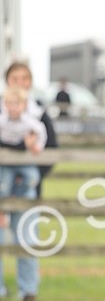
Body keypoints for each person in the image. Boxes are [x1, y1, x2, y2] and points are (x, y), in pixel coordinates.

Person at [0, 86, 46, 301]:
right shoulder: (2, 122)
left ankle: (28, 292)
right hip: (4, 178)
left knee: (27, 240)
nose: (13, 107)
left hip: (24, 186)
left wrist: (35, 146)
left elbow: (43, 136)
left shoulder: (33, 120)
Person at [4, 62, 58, 200]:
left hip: (29, 181)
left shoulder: (39, 112)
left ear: (30, 82)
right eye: (15, 78)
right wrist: (22, 145)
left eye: (24, 78)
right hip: (2, 177)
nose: (20, 83)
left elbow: (51, 146)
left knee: (27, 216)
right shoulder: (2, 113)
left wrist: (33, 173)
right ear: (7, 80)